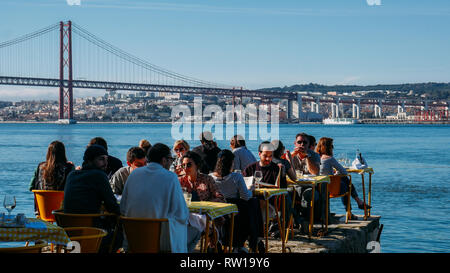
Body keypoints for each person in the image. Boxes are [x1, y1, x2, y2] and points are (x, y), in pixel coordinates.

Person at [120, 143, 201, 253]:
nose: (171, 163)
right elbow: (181, 213)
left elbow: (123, 207)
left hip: (134, 239)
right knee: (196, 231)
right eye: (171, 159)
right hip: (160, 243)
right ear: (164, 160)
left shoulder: (134, 175)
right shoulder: (170, 177)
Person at [63, 144, 121, 253]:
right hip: (92, 233)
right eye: (101, 159)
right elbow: (112, 206)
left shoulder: (72, 175)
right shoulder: (99, 175)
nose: (105, 163)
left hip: (70, 234)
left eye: (106, 159)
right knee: (119, 233)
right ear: (90, 161)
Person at [210, 150, 263, 253]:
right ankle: (255, 238)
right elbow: (245, 196)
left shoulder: (211, 177)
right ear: (231, 162)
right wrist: (251, 189)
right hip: (236, 210)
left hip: (217, 209)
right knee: (253, 202)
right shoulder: (236, 177)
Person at [316, 137, 370, 215]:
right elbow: (344, 172)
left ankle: (358, 203)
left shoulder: (316, 158)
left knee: (345, 181)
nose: (333, 148)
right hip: (330, 189)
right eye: (332, 146)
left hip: (319, 187)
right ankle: (353, 208)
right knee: (347, 184)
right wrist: (336, 174)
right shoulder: (329, 159)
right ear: (328, 148)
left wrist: (334, 173)